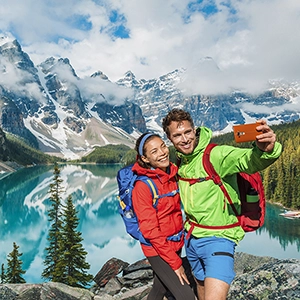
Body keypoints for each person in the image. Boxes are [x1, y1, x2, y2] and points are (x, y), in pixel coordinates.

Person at [162, 108, 282, 300]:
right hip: (192, 238)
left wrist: (265, 150)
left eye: (187, 132)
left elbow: (248, 161)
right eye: (177, 135)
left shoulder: (216, 155)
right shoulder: (181, 160)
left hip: (219, 239)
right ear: (170, 139)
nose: (184, 139)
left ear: (195, 130)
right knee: (200, 286)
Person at [131, 132, 197, 300]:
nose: (162, 152)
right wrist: (176, 263)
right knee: (186, 297)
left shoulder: (172, 174)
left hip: (175, 242)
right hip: (156, 249)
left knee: (160, 290)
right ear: (145, 159)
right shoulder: (142, 187)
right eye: (154, 151)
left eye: (162, 146)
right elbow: (150, 231)